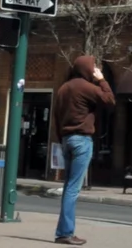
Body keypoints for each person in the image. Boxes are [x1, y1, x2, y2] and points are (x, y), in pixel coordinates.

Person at [51, 54, 114, 246]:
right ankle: (65, 233)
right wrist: (102, 80)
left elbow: (56, 117)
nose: (95, 69)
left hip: (67, 140)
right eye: (93, 67)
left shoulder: (63, 89)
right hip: (81, 140)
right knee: (72, 189)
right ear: (87, 69)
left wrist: (62, 140)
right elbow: (110, 101)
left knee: (68, 187)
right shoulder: (86, 87)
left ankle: (64, 231)